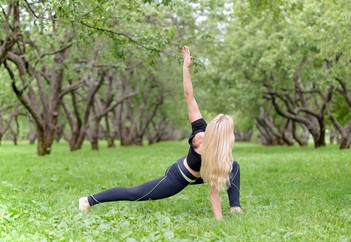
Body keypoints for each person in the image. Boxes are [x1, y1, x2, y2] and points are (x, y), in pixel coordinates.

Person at [79, 46, 241, 220]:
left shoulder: (213, 144)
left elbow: (190, 97)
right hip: (180, 176)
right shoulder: (201, 141)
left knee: (234, 166)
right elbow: (214, 193)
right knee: (136, 194)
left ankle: (235, 208)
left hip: (203, 173)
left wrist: (186, 69)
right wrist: (219, 222)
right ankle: (88, 200)